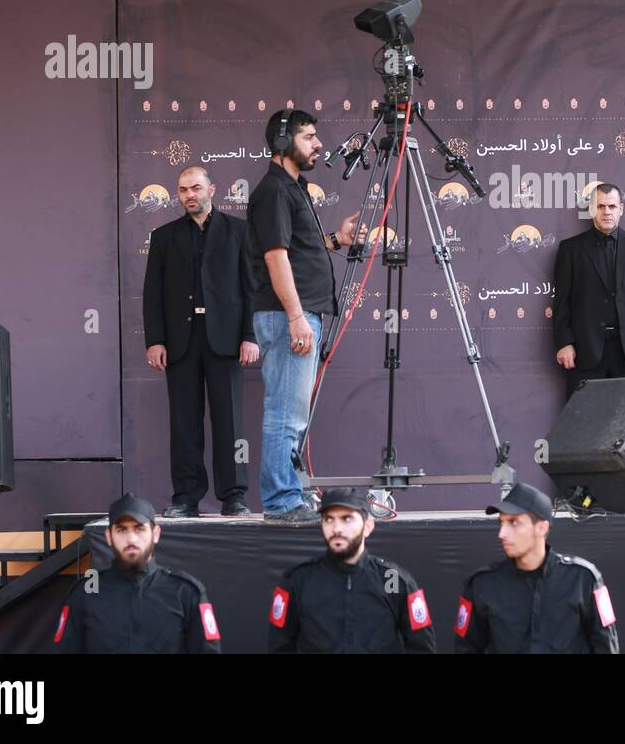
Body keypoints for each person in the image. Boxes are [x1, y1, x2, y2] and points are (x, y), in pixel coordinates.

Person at [248, 110, 359, 523]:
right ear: (282, 142)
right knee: (285, 413)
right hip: (287, 316)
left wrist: (335, 241)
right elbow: (276, 257)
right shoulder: (275, 191)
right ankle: (281, 502)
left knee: (292, 414)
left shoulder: (294, 188)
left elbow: (296, 249)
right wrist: (296, 317)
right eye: (308, 137)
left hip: (297, 314)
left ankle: (290, 494)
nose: (317, 145)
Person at [144, 165, 258, 517]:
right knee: (183, 422)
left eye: (195, 188)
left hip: (225, 339)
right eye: (182, 190)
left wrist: (250, 336)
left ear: (212, 190)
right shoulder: (163, 237)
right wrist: (155, 341)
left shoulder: (239, 231)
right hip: (180, 342)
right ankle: (186, 497)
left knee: (231, 423)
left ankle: (234, 495)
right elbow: (153, 295)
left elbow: (251, 288)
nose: (189, 195)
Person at [267, 487, 436, 653]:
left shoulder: (393, 580)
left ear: (368, 526)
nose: (337, 528)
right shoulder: (298, 581)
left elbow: (421, 647)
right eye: (328, 519)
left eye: (347, 519)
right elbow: (280, 646)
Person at [454, 482, 618, 654]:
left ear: (541, 528)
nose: (502, 533)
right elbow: (466, 649)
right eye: (501, 523)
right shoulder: (483, 585)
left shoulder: (583, 579)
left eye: (513, 522)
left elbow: (606, 647)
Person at [53, 494, 222, 653]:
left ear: (155, 534)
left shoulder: (185, 593)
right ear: (109, 537)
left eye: (139, 529)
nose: (131, 539)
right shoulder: (85, 595)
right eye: (121, 530)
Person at [553, 183, 625, 400]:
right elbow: (562, 301)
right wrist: (564, 343)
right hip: (585, 351)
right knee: (584, 421)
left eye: (612, 206)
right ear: (592, 209)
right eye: (601, 206)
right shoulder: (571, 249)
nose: (607, 212)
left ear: (621, 209)